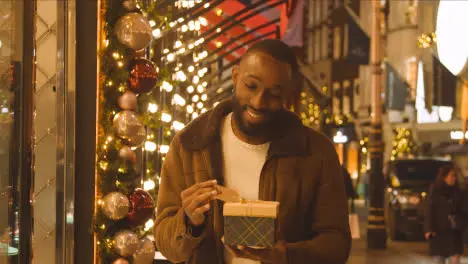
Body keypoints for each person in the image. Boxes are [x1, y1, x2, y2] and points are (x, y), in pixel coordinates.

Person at [154, 39, 351, 264]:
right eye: (251, 86)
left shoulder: (316, 152)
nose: (258, 102)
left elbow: (337, 245)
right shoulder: (190, 145)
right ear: (236, 76)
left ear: (288, 94)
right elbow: (165, 242)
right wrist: (189, 222)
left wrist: (286, 256)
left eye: (274, 94)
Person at [424, 164, 465, 264]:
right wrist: (429, 229)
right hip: (439, 232)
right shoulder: (435, 190)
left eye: (455, 176)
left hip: (454, 232)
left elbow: (463, 210)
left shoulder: (459, 191)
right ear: (444, 177)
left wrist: (460, 223)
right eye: (451, 176)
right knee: (439, 259)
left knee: (455, 258)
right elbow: (429, 209)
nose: (454, 178)